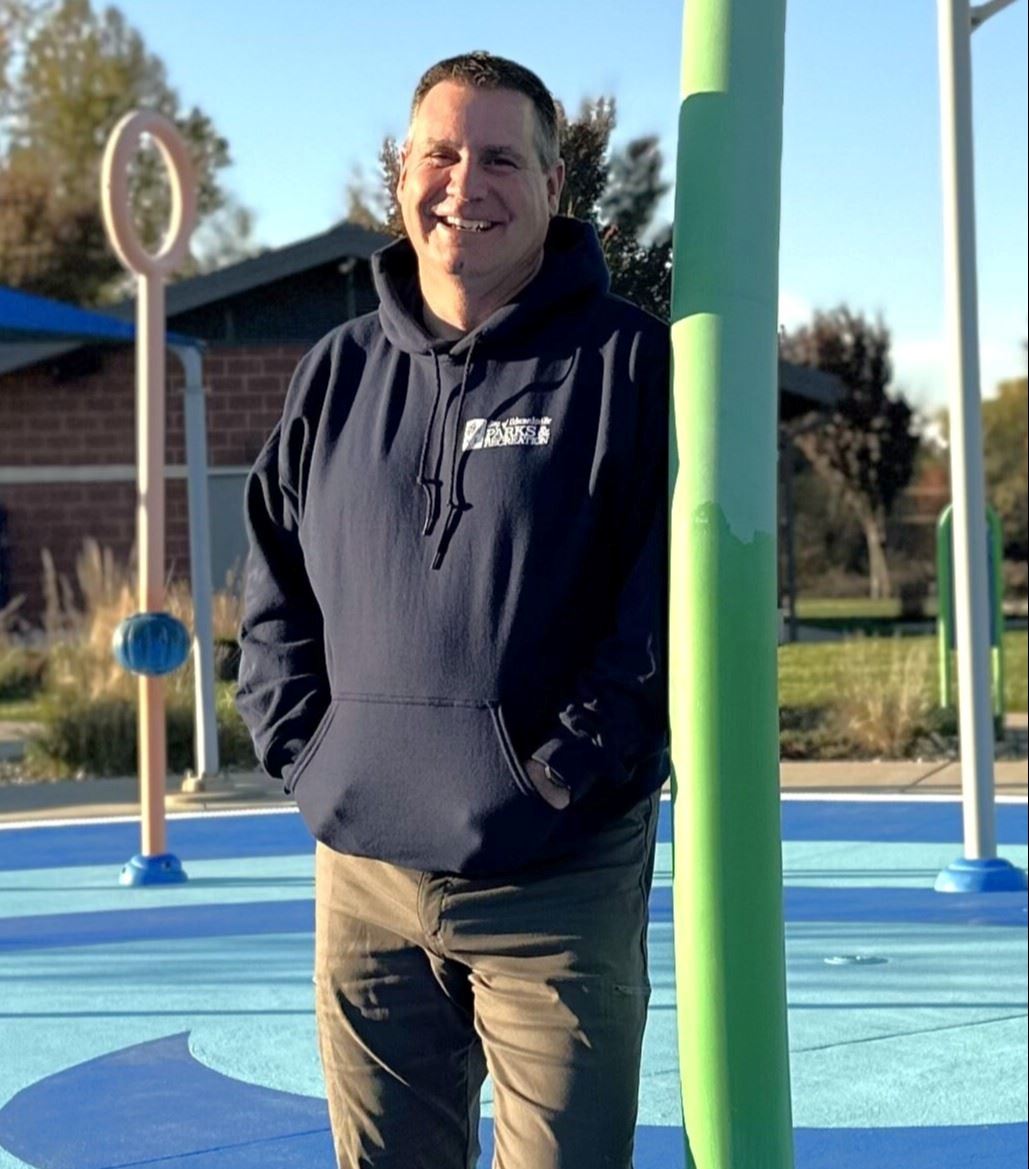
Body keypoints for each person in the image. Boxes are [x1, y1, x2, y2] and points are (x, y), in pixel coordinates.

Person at [236, 50, 669, 1169]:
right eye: (439, 153)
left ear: (553, 186)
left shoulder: (626, 364)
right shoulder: (335, 371)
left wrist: (562, 775)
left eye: (499, 159)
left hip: (555, 880)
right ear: (401, 177)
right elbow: (272, 579)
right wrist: (311, 755)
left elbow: (663, 601)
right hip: (367, 877)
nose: (462, 183)